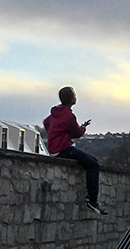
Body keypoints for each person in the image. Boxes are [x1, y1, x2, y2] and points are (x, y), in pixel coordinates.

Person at [44, 86, 107, 215]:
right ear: (72, 99)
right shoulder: (68, 115)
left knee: (92, 161)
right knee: (94, 165)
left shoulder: (56, 113)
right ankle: (92, 200)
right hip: (63, 149)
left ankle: (92, 199)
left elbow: (46, 123)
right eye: (74, 95)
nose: (76, 97)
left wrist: (57, 134)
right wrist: (83, 128)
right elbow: (76, 133)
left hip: (55, 148)